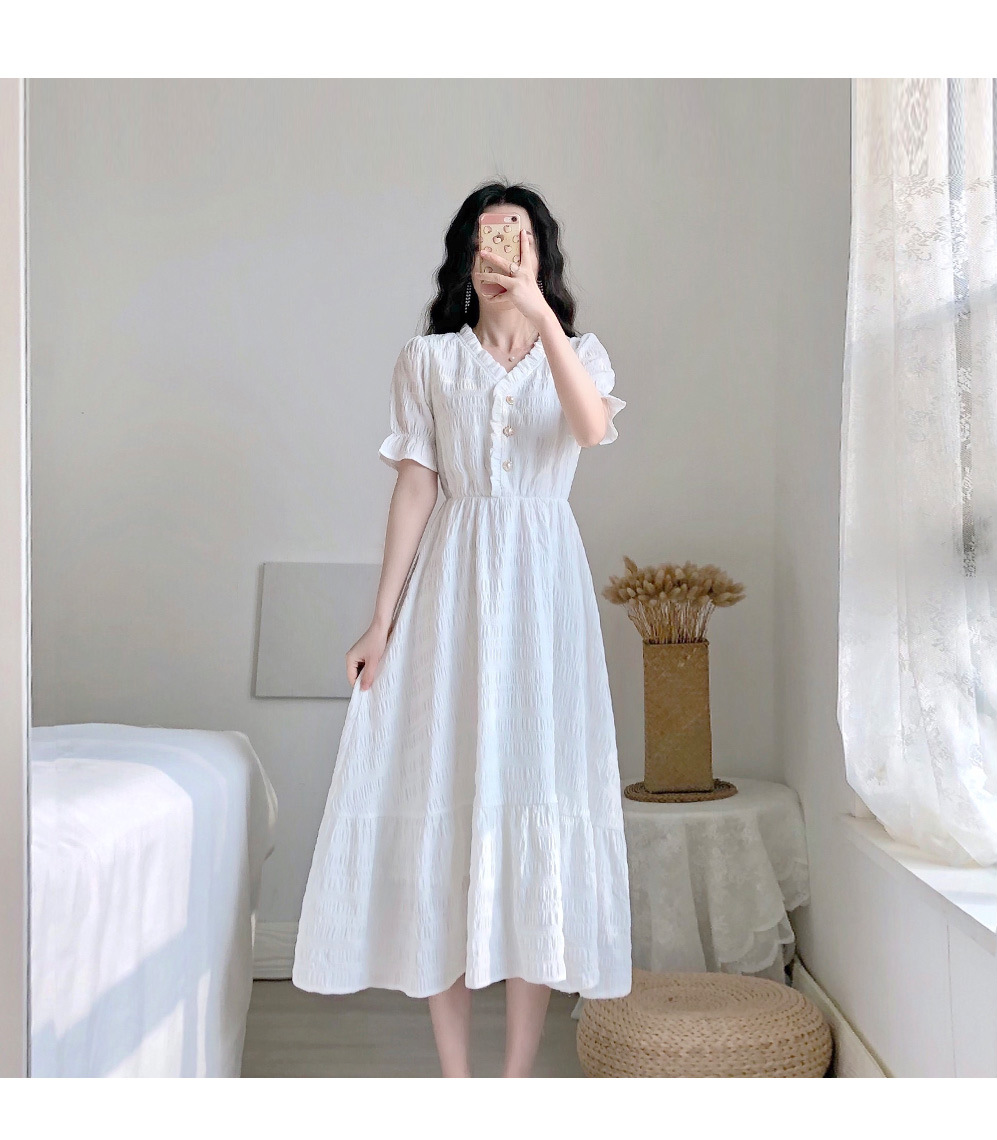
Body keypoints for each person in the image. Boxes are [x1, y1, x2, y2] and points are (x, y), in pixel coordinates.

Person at [292, 181, 632, 1078]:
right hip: (452, 593)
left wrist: (542, 319)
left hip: (544, 599)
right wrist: (381, 621)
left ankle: (513, 1084)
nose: (498, 251)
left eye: (515, 236)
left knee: (534, 819)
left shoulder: (580, 355)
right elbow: (416, 488)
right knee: (442, 814)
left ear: (538, 256)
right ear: (465, 258)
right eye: (485, 238)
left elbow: (589, 429)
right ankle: (458, 1083)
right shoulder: (430, 361)